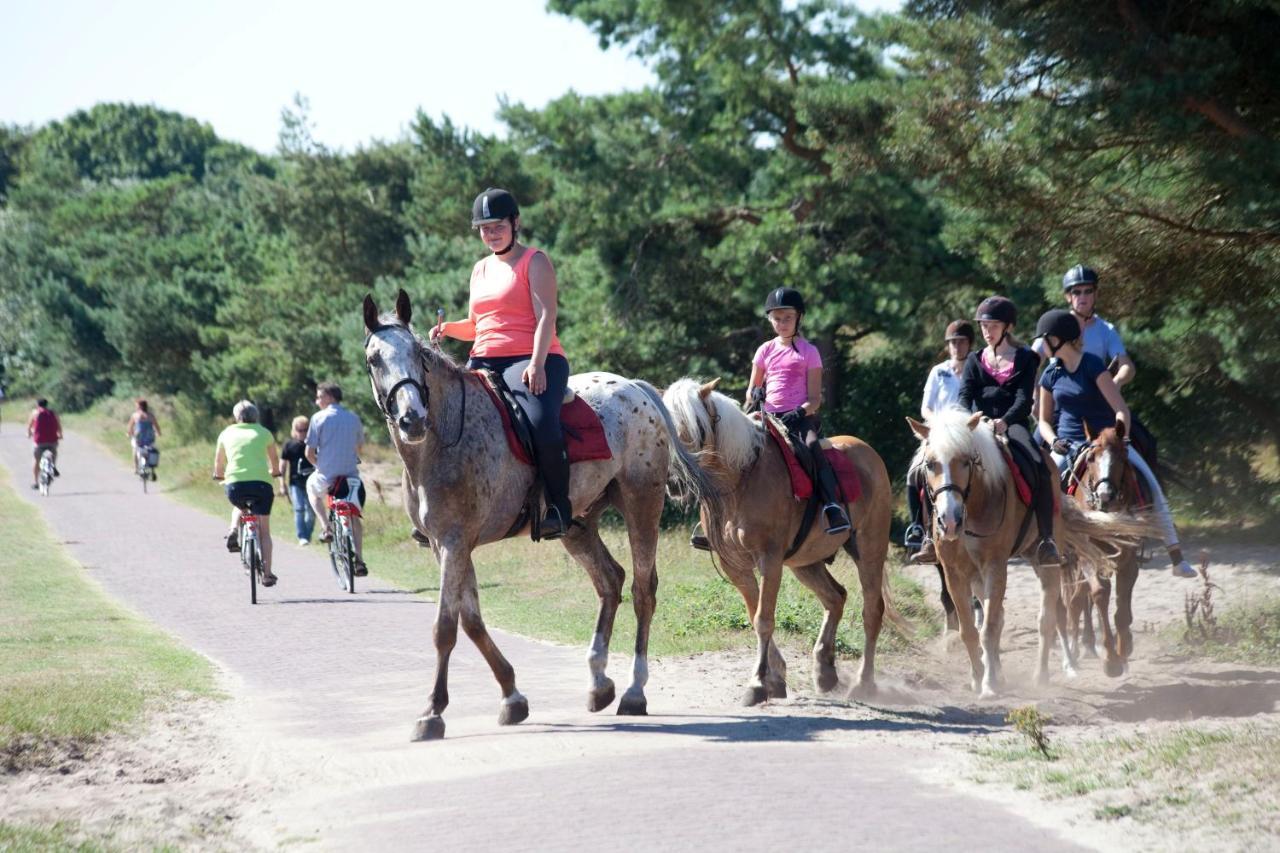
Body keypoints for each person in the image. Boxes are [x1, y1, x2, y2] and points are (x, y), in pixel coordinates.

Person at [431, 187, 573, 539]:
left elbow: (546, 317)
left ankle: (559, 506)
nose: (490, 234)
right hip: (483, 360)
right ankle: (438, 511)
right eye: (484, 228)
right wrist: (448, 329)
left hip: (532, 358)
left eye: (497, 226)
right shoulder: (479, 269)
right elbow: (477, 325)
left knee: (542, 425)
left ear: (515, 223)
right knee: (443, 422)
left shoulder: (534, 261)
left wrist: (538, 364)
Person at [1034, 309, 1198, 578]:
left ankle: (1175, 555)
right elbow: (1043, 421)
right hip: (1068, 445)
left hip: (1106, 443)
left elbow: (1121, 410)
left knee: (1153, 485)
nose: (1043, 344)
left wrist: (1120, 438)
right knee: (1040, 485)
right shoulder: (1049, 376)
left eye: (1046, 338)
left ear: (1061, 339)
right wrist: (1055, 441)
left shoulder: (1093, 366)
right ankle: (1044, 544)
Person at [915, 296, 1060, 567]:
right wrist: (964, 424)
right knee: (933, 467)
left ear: (1008, 327)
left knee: (1039, 465)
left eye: (992, 325)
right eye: (983, 325)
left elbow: (1023, 399)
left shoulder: (1026, 358)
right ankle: (925, 534)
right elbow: (964, 396)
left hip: (1013, 423)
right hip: (977, 425)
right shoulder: (974, 359)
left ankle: (1046, 539)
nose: (986, 331)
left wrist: (1004, 421)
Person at [745, 286, 851, 535]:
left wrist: (801, 413)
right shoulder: (764, 351)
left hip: (800, 419)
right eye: (777, 319)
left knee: (813, 446)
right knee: (733, 445)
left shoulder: (809, 352)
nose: (782, 324)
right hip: (767, 416)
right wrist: (756, 393)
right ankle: (718, 511)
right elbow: (751, 391)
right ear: (770, 320)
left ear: (799, 318)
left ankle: (832, 507)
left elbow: (815, 399)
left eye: (788, 318)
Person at [904, 320, 974, 554]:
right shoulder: (938, 371)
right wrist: (938, 426)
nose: (956, 346)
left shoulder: (977, 368)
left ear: (970, 344)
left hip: (966, 434)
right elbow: (926, 408)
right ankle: (919, 529)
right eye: (952, 342)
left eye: (961, 341)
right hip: (938, 434)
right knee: (914, 473)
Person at [212, 401, 281, 586]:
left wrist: (218, 474)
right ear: (255, 416)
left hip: (235, 484)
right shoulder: (264, 432)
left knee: (239, 506)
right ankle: (267, 574)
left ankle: (233, 529)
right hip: (261, 485)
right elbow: (274, 459)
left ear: (236, 417)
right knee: (264, 532)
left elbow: (219, 460)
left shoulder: (226, 433)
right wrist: (275, 471)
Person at [1032, 265, 1135, 385]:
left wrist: (1115, 383)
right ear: (1068, 297)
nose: (1083, 296)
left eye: (1088, 291)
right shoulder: (1054, 326)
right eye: (1076, 292)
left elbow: (1126, 366)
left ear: (1096, 294)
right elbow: (1030, 364)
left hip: (1091, 399)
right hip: (1057, 397)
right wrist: (1036, 393)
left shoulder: (1106, 329)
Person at [305, 382, 369, 573]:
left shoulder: (318, 418)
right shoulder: (354, 418)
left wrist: (320, 466)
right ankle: (359, 558)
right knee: (354, 516)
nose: (317, 401)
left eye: (319, 397)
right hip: (350, 479)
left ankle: (326, 527)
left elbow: (309, 453)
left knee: (311, 489)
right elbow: (359, 449)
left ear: (329, 397)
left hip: (326, 477)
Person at [278, 415, 317, 546]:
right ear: (294, 430)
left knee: (311, 511)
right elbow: (282, 466)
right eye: (299, 430)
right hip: (295, 483)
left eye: (305, 429)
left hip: (312, 482)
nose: (302, 433)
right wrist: (281, 484)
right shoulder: (289, 445)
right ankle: (302, 536)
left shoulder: (314, 444)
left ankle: (308, 534)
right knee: (299, 508)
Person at [26, 398, 62, 490]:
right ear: (47, 405)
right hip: (53, 442)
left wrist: (29, 434)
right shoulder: (53, 413)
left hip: (39, 442)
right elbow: (59, 425)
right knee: (53, 456)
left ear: (38, 405)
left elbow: (29, 426)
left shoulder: (35, 413)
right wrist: (60, 435)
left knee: (37, 461)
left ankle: (36, 482)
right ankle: (52, 467)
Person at [126, 398, 161, 480]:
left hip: (138, 438)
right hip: (150, 438)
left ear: (139, 406)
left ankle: (136, 468)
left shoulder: (135, 415)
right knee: (151, 451)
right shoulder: (151, 416)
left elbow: (130, 426)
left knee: (135, 449)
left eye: (137, 406)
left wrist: (129, 433)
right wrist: (158, 433)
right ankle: (152, 470)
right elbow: (156, 426)